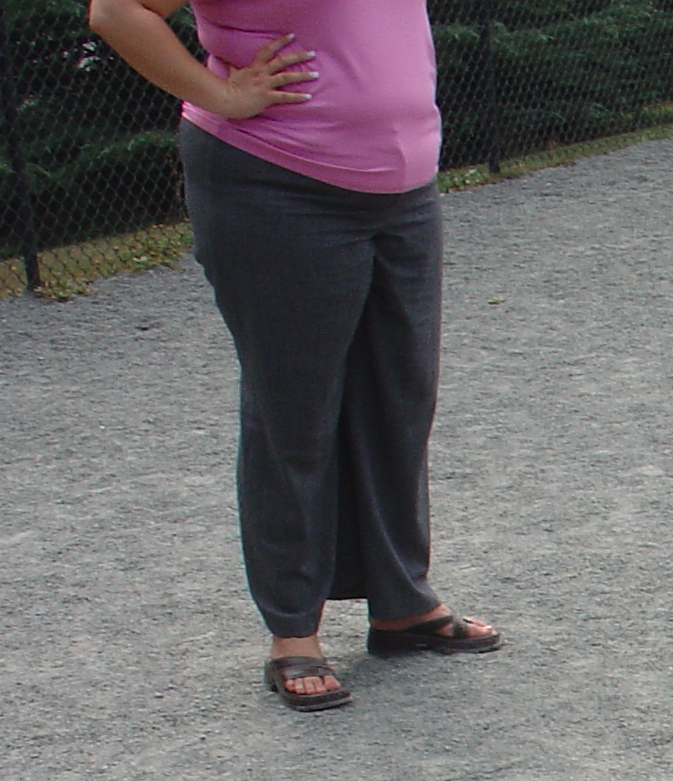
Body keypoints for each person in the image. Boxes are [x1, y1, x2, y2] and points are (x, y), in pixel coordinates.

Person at [90, 0, 501, 713]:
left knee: (399, 400)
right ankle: (293, 631)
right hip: (276, 182)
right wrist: (221, 94)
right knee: (295, 412)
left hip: (403, 188)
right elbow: (115, 11)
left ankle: (401, 603)